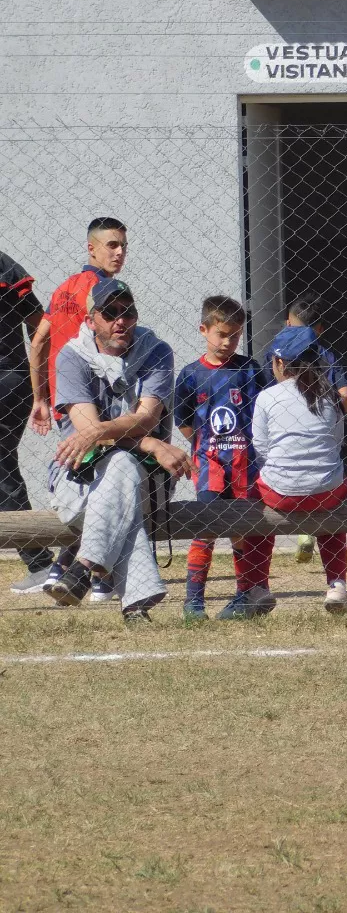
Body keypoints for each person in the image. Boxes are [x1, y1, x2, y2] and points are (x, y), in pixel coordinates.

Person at [44, 279, 191, 622]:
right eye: (110, 313)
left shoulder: (156, 351)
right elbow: (88, 433)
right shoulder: (71, 356)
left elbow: (146, 417)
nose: (120, 321)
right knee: (123, 469)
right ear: (91, 318)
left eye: (128, 313)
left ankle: (82, 567)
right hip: (78, 479)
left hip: (147, 484)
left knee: (123, 464)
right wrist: (152, 443)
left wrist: (114, 432)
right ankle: (136, 605)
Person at [22, 217, 129, 600]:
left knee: (86, 482)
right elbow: (105, 347)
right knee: (101, 484)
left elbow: (37, 344)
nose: (119, 252)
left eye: (122, 246)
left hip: (65, 402)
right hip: (91, 404)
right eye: (112, 245)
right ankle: (96, 579)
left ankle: (59, 570)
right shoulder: (104, 291)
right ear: (92, 248)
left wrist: (41, 399)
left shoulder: (63, 288)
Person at [174, 296, 274, 621]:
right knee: (206, 528)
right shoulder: (191, 375)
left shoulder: (250, 370)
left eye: (235, 335)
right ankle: (193, 602)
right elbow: (184, 421)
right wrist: (205, 449)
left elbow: (264, 411)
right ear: (204, 330)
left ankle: (244, 597)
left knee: (242, 530)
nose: (227, 341)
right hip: (210, 468)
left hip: (245, 465)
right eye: (221, 334)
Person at [252, 325, 347, 616]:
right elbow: (336, 442)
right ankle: (336, 585)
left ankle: (258, 586)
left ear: (280, 363)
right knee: (335, 503)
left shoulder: (267, 397)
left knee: (254, 506)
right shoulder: (331, 395)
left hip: (280, 495)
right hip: (327, 494)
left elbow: (261, 449)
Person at [283, 294, 347, 565]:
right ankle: (314, 536)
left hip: (288, 433)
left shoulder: (277, 355)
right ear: (320, 329)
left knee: (295, 477)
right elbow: (344, 394)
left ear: (287, 324)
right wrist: (335, 419)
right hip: (322, 433)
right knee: (325, 482)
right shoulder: (326, 355)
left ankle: (302, 530)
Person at [0, 253, 55, 590]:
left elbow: (39, 325)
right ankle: (41, 562)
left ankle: (41, 563)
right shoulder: (6, 265)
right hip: (14, 379)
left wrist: (42, 390)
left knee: (2, 468)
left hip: (8, 379)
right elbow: (37, 323)